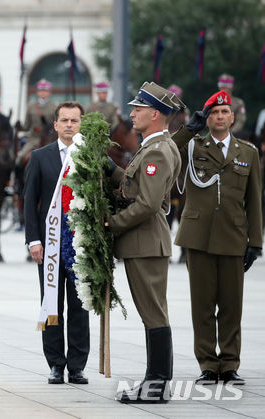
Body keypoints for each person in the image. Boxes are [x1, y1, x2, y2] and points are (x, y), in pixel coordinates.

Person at [171, 90, 262, 386]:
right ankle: (209, 364)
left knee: (232, 305)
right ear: (207, 118)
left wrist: (256, 242)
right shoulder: (193, 146)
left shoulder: (247, 152)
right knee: (203, 305)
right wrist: (188, 130)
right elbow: (166, 153)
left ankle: (230, 364)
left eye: (224, 112)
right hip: (199, 237)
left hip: (234, 237)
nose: (220, 117)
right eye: (214, 113)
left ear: (232, 118)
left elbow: (255, 201)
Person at [105, 81, 181, 403]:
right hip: (144, 243)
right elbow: (134, 187)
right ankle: (156, 381)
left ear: (155, 114)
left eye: (138, 108)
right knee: (152, 312)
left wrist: (112, 224)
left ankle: (157, 384)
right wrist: (109, 168)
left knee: (153, 314)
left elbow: (148, 204)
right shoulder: (152, 147)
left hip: (145, 243)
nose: (132, 113)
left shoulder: (158, 151)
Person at [23, 102, 89, 385]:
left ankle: (76, 366)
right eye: (64, 120)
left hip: (80, 243)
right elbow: (29, 201)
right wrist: (33, 240)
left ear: (81, 124)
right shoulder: (40, 156)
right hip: (49, 243)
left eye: (74, 120)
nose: (69, 125)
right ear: (55, 125)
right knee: (52, 304)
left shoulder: (88, 155)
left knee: (79, 305)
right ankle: (55, 365)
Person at [16, 79, 58, 168]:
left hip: (49, 139)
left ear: (49, 92)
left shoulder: (54, 106)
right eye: (41, 90)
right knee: (20, 157)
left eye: (45, 90)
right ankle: (16, 179)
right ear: (37, 92)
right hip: (34, 138)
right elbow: (26, 126)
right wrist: (19, 126)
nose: (43, 93)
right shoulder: (31, 106)